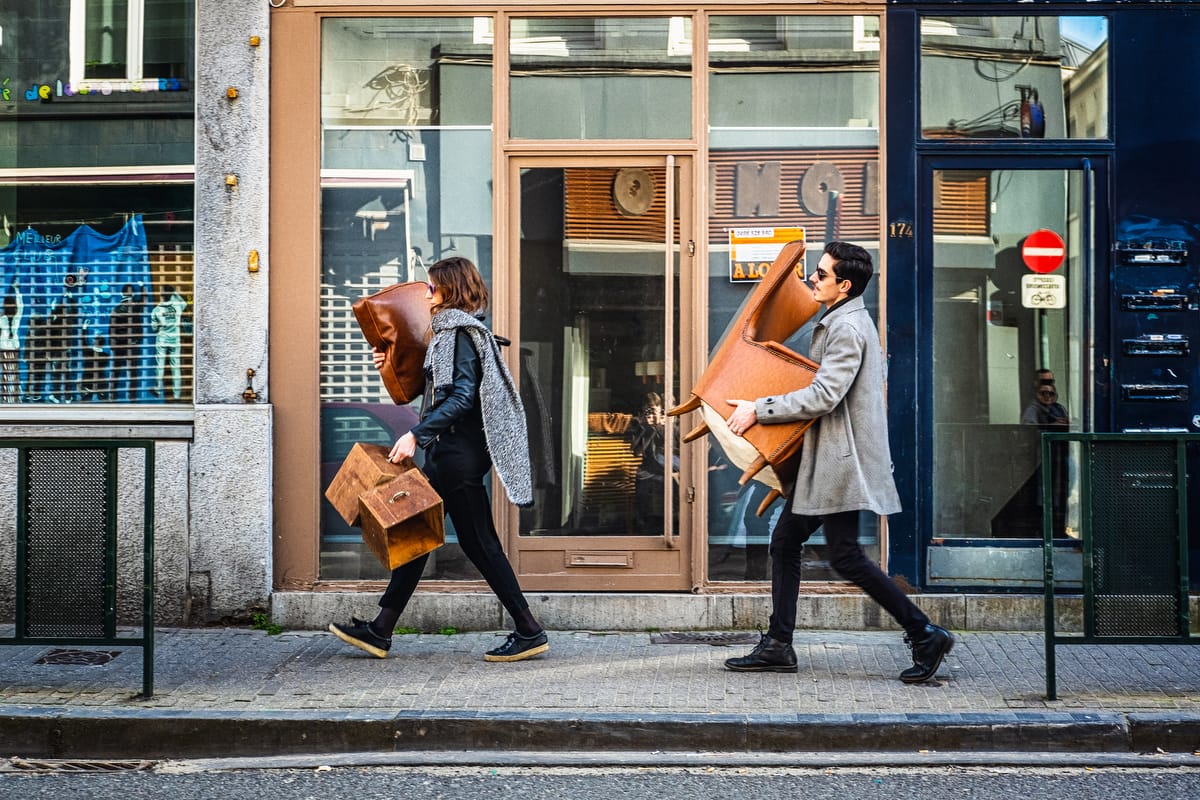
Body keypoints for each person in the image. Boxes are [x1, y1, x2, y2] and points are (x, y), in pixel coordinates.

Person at [722, 241, 955, 684]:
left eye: (822, 274)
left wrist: (759, 408)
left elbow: (824, 395)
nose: (812, 277)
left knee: (843, 555)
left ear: (843, 285)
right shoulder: (844, 320)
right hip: (830, 461)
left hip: (838, 463)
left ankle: (924, 632)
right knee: (790, 542)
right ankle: (778, 644)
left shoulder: (846, 328)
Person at [329, 256, 548, 663]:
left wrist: (416, 434)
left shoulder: (458, 334)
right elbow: (430, 389)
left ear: (450, 289)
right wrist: (389, 365)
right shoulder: (449, 334)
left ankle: (529, 629)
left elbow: (461, 396)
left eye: (432, 287)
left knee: (476, 542)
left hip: (456, 457)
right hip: (449, 453)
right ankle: (381, 629)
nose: (426, 294)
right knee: (416, 530)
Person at [150, 285, 187, 401]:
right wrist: (175, 293)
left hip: (162, 340)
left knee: (160, 365)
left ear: (162, 295)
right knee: (175, 368)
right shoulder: (177, 306)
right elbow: (184, 302)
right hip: (175, 340)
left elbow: (154, 329)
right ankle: (177, 395)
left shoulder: (156, 310)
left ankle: (157, 388)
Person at [0, 282, 22, 403]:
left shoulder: (1, 319)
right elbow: (21, 306)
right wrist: (18, 292)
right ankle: (15, 397)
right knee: (14, 371)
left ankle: (5, 398)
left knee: (5, 373)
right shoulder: (16, 317)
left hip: (4, 348)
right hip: (14, 347)